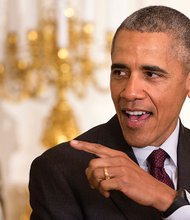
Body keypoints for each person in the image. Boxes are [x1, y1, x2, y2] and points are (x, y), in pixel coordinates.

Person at [29, 5, 190, 220]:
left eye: (151, 74)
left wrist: (169, 201)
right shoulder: (60, 170)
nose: (130, 92)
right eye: (120, 72)